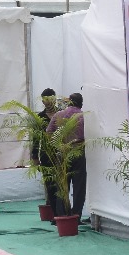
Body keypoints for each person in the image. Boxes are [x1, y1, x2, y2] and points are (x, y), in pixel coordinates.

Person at [45, 92, 87, 220]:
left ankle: (61, 215)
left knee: (62, 184)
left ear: (69, 102)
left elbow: (48, 132)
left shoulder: (59, 114)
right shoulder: (83, 116)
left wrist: (58, 144)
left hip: (62, 151)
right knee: (79, 185)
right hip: (78, 151)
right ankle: (76, 215)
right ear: (81, 103)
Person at [31, 88, 60, 211]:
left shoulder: (62, 114)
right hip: (46, 154)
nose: (48, 102)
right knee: (50, 185)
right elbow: (36, 138)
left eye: (50, 99)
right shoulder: (40, 117)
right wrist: (34, 156)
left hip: (61, 153)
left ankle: (63, 211)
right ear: (42, 101)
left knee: (62, 184)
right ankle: (54, 213)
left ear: (55, 99)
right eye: (45, 100)